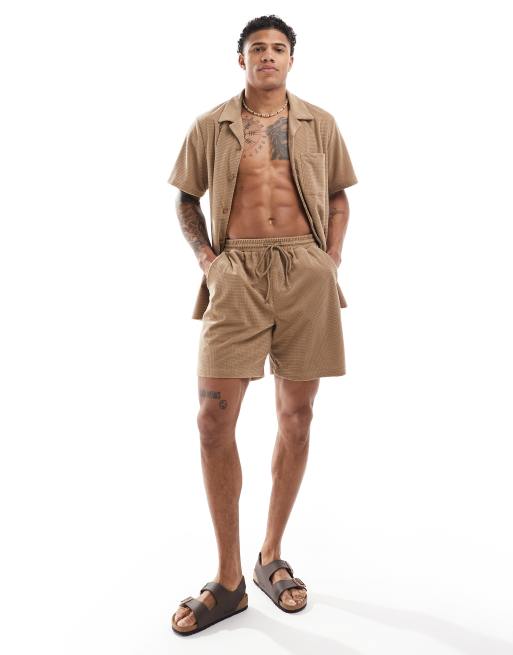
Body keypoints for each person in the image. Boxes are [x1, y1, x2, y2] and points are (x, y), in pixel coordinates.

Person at [168, 14, 358, 636]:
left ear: (291, 59)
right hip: (236, 274)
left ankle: (269, 556)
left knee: (296, 419)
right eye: (257, 48)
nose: (268, 56)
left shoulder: (319, 123)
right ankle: (228, 581)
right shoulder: (211, 125)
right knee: (211, 422)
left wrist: (329, 261)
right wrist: (209, 262)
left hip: (305, 270)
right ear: (242, 59)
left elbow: (338, 195)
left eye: (278, 48)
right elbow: (185, 197)